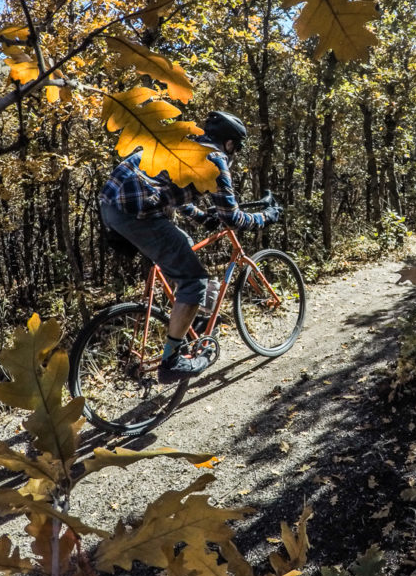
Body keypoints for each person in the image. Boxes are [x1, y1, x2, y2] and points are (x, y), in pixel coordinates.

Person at [99, 111, 282, 382]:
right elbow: (233, 218)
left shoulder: (185, 145)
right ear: (229, 144)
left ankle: (197, 320)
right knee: (194, 282)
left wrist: (202, 217)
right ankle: (171, 361)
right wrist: (267, 216)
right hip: (133, 213)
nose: (235, 152)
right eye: (237, 147)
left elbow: (170, 192)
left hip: (112, 206)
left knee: (185, 243)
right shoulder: (215, 161)